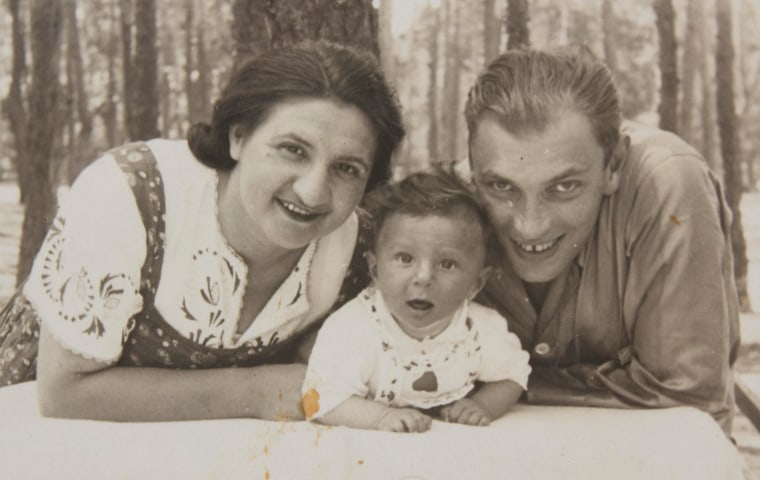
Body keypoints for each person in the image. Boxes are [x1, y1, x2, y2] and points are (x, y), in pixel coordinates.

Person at [6, 40, 404, 422]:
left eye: (347, 168)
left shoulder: (361, 253)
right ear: (238, 137)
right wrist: (255, 391)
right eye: (293, 150)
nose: (312, 190)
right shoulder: (132, 194)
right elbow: (61, 393)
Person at [464, 45, 740, 435]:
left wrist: (511, 386)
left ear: (614, 164)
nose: (529, 226)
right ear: (472, 169)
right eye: (501, 186)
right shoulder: (451, 205)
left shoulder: (667, 183)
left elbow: (687, 394)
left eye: (563, 186)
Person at [302, 171, 531, 432]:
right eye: (405, 258)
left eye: (447, 264)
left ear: (475, 284)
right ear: (375, 270)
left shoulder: (480, 328)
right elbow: (320, 400)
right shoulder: (354, 329)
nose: (424, 278)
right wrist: (380, 417)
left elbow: (513, 376)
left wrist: (483, 405)